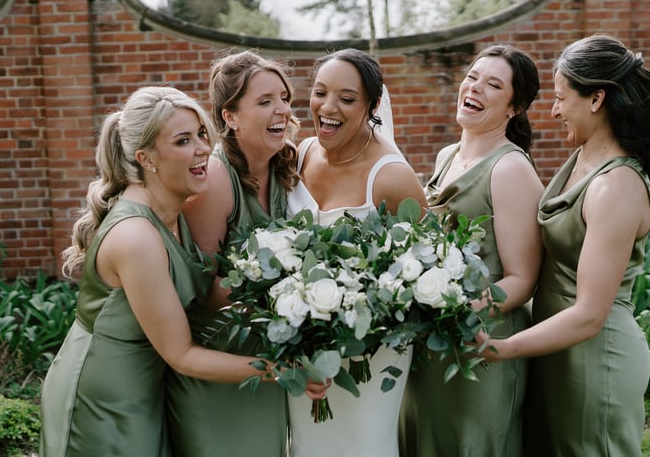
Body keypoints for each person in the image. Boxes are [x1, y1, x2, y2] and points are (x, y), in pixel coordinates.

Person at [39, 85, 325, 457]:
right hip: (104, 395)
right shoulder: (136, 237)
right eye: (183, 141)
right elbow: (182, 354)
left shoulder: (174, 209)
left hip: (150, 386)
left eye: (202, 134)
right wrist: (281, 371)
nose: (203, 148)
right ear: (146, 158)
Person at [477, 34, 650, 456]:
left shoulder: (616, 186)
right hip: (554, 352)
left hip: (595, 361)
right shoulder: (583, 159)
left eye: (561, 98)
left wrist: (503, 348)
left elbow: (589, 315)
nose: (554, 110)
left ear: (596, 99)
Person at [399, 44, 544, 456]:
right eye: (472, 77)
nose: (475, 88)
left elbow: (522, 279)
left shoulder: (510, 168)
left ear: (515, 108)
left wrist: (456, 315)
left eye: (493, 85)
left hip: (480, 341)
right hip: (432, 338)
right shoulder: (447, 155)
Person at [286, 48, 428, 457]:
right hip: (304, 345)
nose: (327, 108)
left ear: (372, 105)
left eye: (346, 99)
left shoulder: (391, 176)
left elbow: (429, 259)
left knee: (364, 444)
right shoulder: (301, 153)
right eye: (320, 93)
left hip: (371, 353)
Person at [167, 51, 301, 456]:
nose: (281, 110)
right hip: (216, 356)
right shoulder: (216, 179)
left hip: (265, 355)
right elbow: (202, 289)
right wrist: (287, 288)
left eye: (283, 98)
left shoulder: (283, 164)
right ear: (230, 117)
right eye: (265, 101)